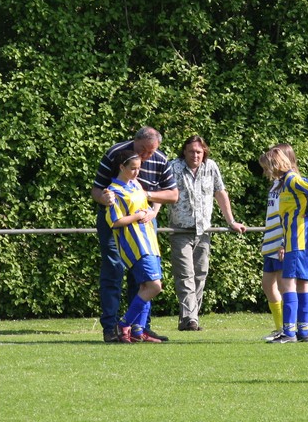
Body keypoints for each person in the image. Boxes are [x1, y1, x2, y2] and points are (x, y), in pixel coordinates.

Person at [90, 127, 178, 343]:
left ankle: (139, 328)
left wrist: (150, 204)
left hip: (145, 224)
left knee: (145, 280)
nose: (146, 155)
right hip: (118, 223)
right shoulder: (115, 153)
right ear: (135, 141)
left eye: (151, 151)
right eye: (143, 150)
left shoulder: (160, 160)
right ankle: (112, 327)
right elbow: (97, 190)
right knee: (113, 270)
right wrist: (105, 199)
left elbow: (172, 194)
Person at [167, 136, 246, 332]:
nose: (195, 155)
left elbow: (220, 192)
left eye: (199, 152)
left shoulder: (211, 167)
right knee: (185, 275)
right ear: (184, 151)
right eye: (191, 151)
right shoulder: (173, 167)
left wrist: (231, 221)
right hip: (180, 229)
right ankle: (190, 319)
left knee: (200, 275)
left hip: (204, 230)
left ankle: (189, 319)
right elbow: (163, 192)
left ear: (204, 152)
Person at [264, 145, 308, 344]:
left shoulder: (291, 179)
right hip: (301, 238)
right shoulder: (285, 181)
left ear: (275, 164)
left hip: (297, 238)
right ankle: (303, 331)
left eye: (267, 167)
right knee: (302, 284)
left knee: (289, 283)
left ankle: (289, 333)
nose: (266, 171)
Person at [105, 149, 165, 343]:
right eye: (133, 168)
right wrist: (138, 216)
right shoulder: (113, 191)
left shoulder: (136, 185)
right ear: (121, 167)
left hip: (149, 241)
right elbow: (115, 221)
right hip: (135, 245)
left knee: (145, 287)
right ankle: (124, 324)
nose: (136, 172)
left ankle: (138, 331)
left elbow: (148, 205)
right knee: (155, 286)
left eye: (139, 168)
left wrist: (151, 212)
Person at [258, 149, 286, 341]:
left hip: (282, 241)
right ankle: (279, 327)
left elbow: (290, 214)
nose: (265, 171)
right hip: (271, 240)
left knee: (285, 286)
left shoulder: (289, 184)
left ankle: (289, 328)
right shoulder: (275, 184)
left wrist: (285, 242)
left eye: (267, 166)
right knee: (268, 285)